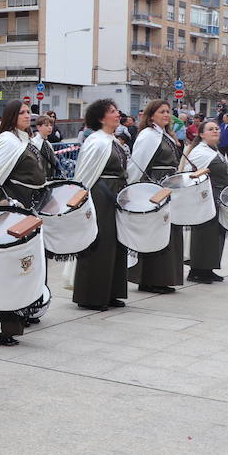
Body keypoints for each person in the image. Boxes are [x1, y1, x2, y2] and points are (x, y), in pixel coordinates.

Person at [0, 100, 49, 344]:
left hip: (27, 208)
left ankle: (18, 318)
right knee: (7, 268)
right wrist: (3, 201)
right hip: (10, 209)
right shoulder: (6, 141)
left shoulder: (25, 140)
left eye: (28, 112)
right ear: (11, 116)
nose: (27, 115)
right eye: (21, 112)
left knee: (23, 266)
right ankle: (0, 327)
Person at [71, 99, 130, 311]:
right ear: (101, 118)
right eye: (112, 111)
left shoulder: (113, 140)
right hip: (101, 195)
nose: (117, 114)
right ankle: (92, 295)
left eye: (117, 110)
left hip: (116, 193)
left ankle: (111, 292)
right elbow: (86, 173)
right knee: (100, 242)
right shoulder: (96, 141)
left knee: (116, 243)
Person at [126, 99, 183, 294]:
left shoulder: (166, 135)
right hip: (156, 187)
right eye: (161, 112)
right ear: (151, 116)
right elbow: (138, 164)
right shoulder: (149, 135)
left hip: (168, 187)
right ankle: (149, 279)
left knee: (168, 231)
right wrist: (133, 190)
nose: (166, 115)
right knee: (156, 231)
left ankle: (162, 277)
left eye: (168, 111)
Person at [185, 119, 228, 284]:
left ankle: (208, 268)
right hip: (205, 197)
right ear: (202, 134)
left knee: (215, 234)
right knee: (204, 234)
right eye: (211, 129)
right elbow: (189, 174)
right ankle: (196, 270)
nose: (215, 131)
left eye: (217, 128)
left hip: (218, 196)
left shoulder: (214, 150)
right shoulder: (200, 151)